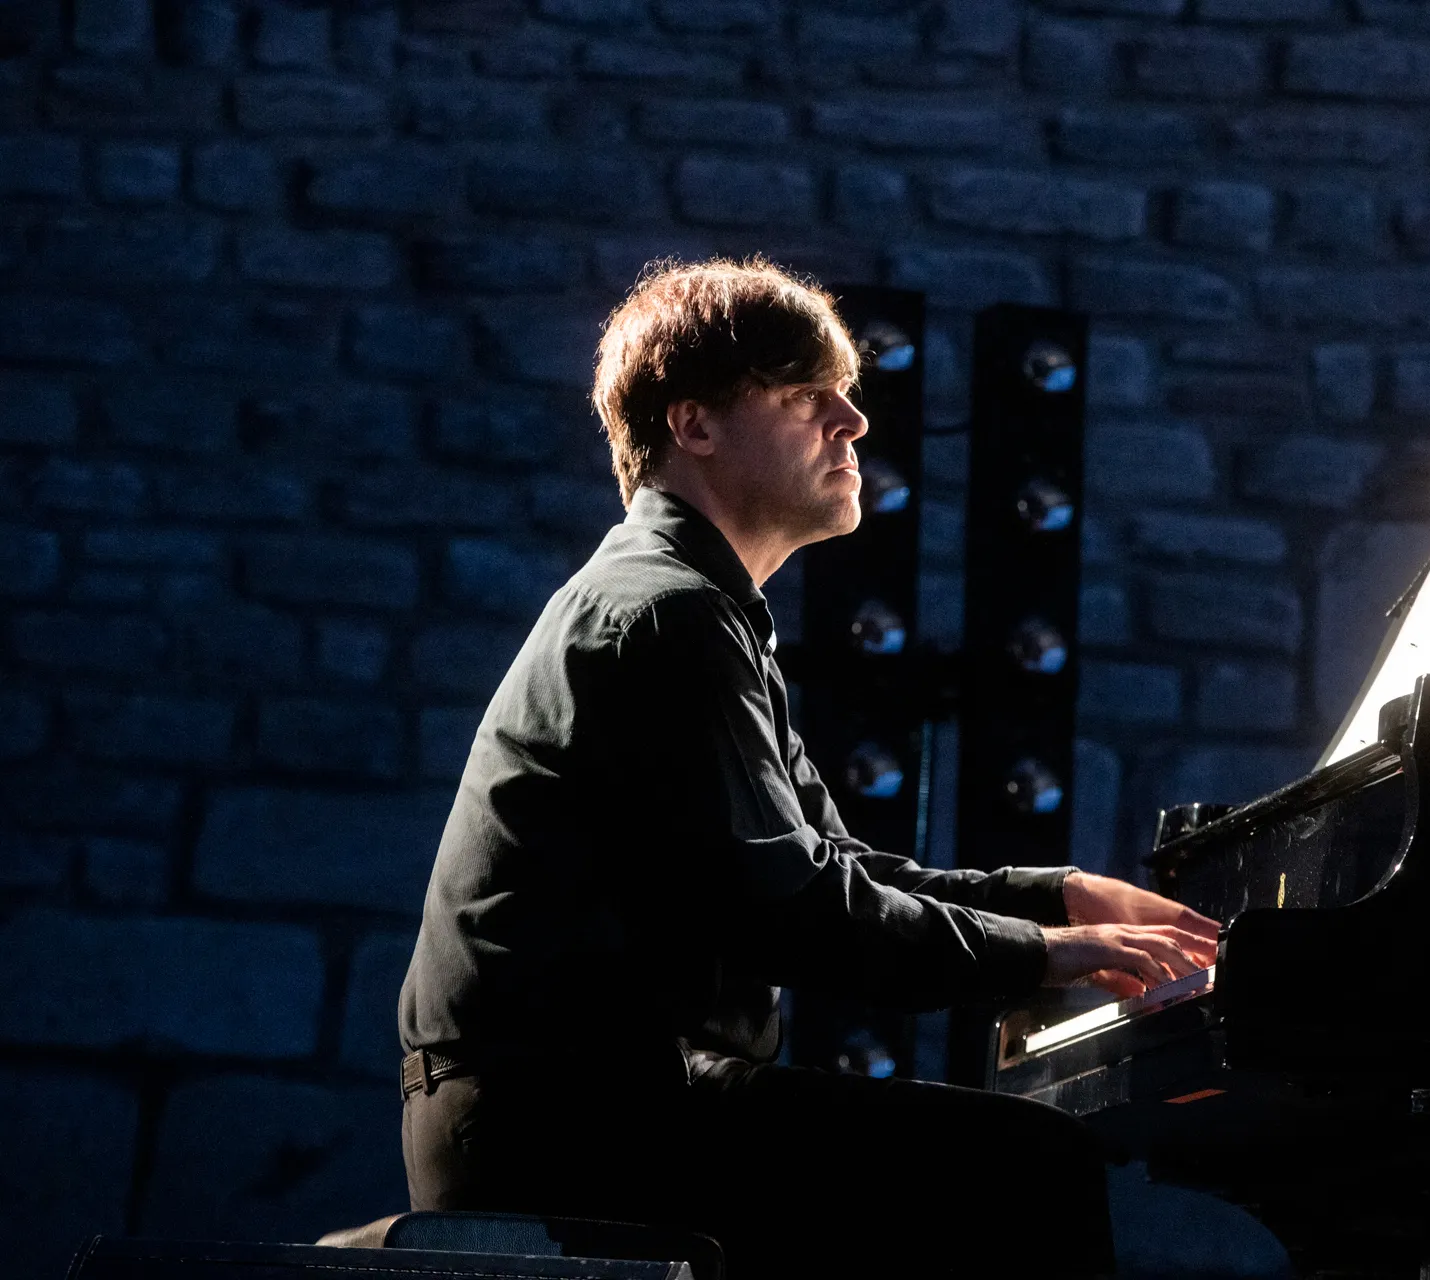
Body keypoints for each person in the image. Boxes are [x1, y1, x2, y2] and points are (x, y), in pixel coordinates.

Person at [397, 257, 1219, 1278]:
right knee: (1025, 1164)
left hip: (583, 1104)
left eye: (845, 393)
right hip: (564, 1123)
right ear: (693, 425)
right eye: (802, 395)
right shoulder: (666, 616)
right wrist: (1042, 954)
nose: (855, 421)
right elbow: (797, 913)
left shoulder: (697, 605)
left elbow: (831, 866)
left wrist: (1056, 896)